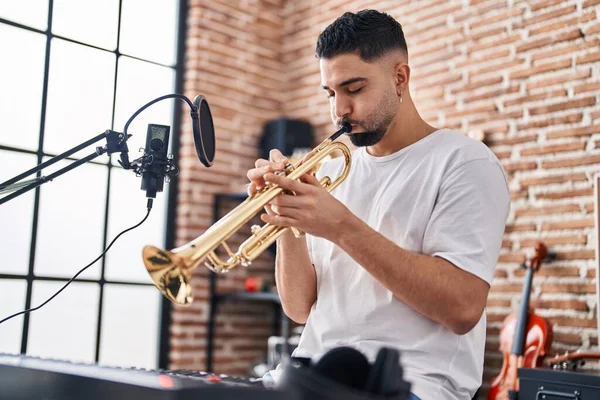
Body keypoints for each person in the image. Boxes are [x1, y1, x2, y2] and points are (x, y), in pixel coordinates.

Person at [246, 9, 510, 400]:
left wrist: (340, 226)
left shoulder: (464, 161)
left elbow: (462, 308)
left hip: (412, 384)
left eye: (353, 89)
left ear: (400, 78)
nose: (339, 110)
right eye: (331, 93)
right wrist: (289, 223)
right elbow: (300, 309)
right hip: (314, 373)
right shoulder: (337, 169)